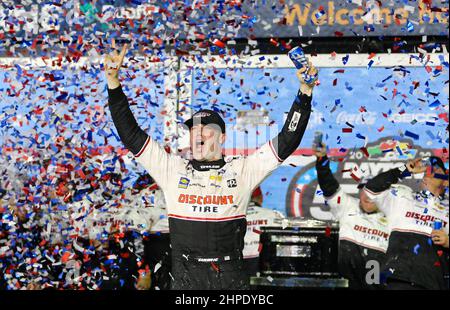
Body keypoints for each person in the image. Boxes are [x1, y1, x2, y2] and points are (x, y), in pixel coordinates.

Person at [104, 40, 317, 289]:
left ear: (223, 138)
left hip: (229, 280)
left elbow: (287, 140)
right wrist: (113, 83)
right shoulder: (172, 169)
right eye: (194, 128)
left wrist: (305, 92)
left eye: (207, 129)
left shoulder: (243, 169)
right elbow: (131, 135)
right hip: (185, 280)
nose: (199, 133)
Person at [363, 157, 449, 290]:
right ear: (423, 178)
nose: (432, 170)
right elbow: (372, 188)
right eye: (429, 167)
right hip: (398, 279)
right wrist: (404, 170)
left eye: (438, 168)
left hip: (432, 282)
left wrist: (448, 242)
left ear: (445, 181)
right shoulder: (401, 196)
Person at [313, 144, 390, 289]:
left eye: (374, 193)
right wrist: (322, 160)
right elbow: (329, 186)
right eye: (364, 190)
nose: (367, 197)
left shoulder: (393, 219)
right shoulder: (347, 205)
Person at [243, 187, 285, 279]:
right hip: (266, 262)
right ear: (261, 198)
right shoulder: (273, 214)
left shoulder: (236, 215)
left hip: (240, 263)